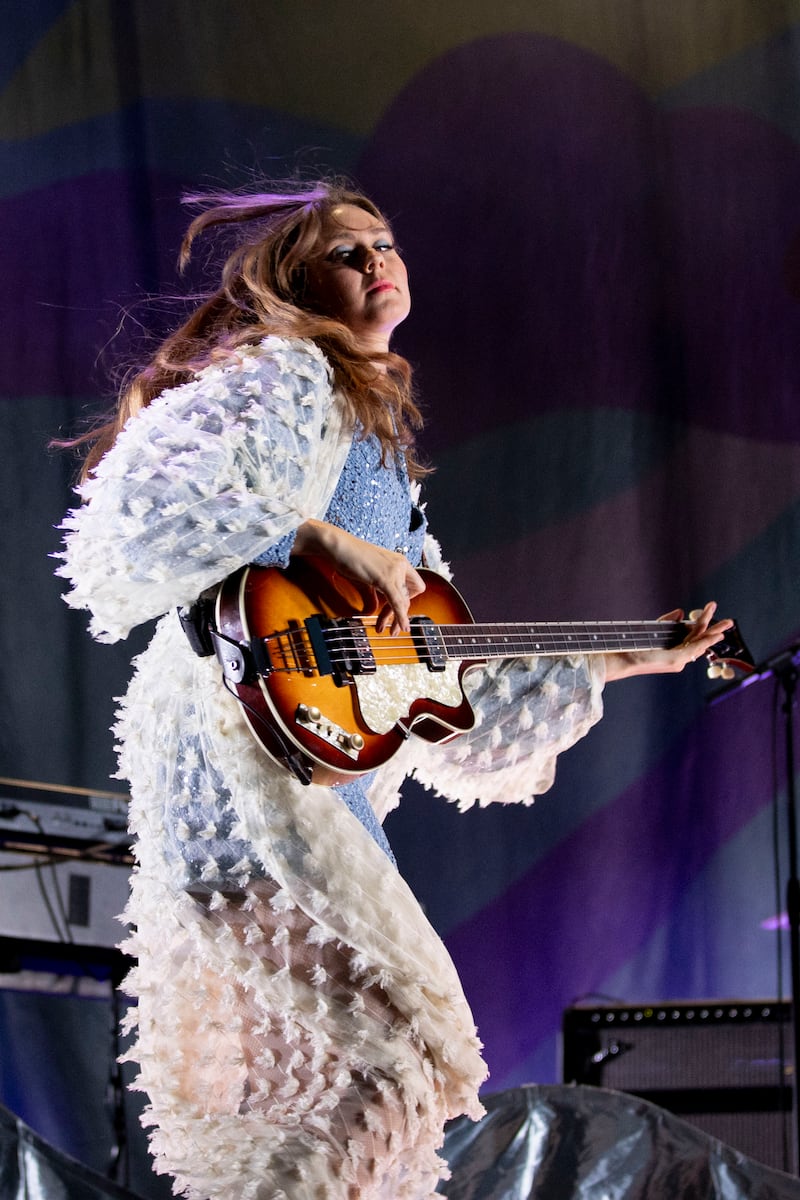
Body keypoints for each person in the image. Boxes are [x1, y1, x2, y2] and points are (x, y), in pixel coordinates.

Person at [57, 180, 731, 1200]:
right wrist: (312, 534)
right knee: (395, 1060)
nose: (377, 262)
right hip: (238, 766)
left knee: (358, 1083)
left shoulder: (371, 440)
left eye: (384, 244)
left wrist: (616, 658)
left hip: (325, 783)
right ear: (294, 284)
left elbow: (432, 679)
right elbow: (140, 505)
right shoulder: (281, 374)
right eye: (346, 252)